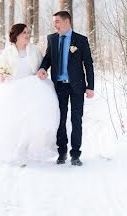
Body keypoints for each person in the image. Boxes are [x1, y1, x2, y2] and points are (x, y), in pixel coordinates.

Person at [0, 23, 60, 165]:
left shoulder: (34, 51)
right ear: (17, 35)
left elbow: (42, 68)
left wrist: (43, 74)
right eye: (24, 33)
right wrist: (2, 76)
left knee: (32, 121)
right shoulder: (7, 52)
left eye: (28, 32)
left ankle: (25, 150)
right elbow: (1, 69)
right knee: (14, 121)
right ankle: (14, 150)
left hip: (34, 89)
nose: (27, 35)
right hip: (14, 89)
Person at [37, 10, 94, 166]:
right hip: (59, 86)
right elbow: (48, 58)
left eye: (57, 22)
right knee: (60, 119)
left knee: (76, 120)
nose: (54, 25)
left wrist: (90, 86)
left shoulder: (81, 40)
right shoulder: (52, 39)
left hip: (77, 86)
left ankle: (75, 154)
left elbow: (88, 64)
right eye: (54, 22)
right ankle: (61, 152)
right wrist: (43, 68)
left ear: (67, 22)